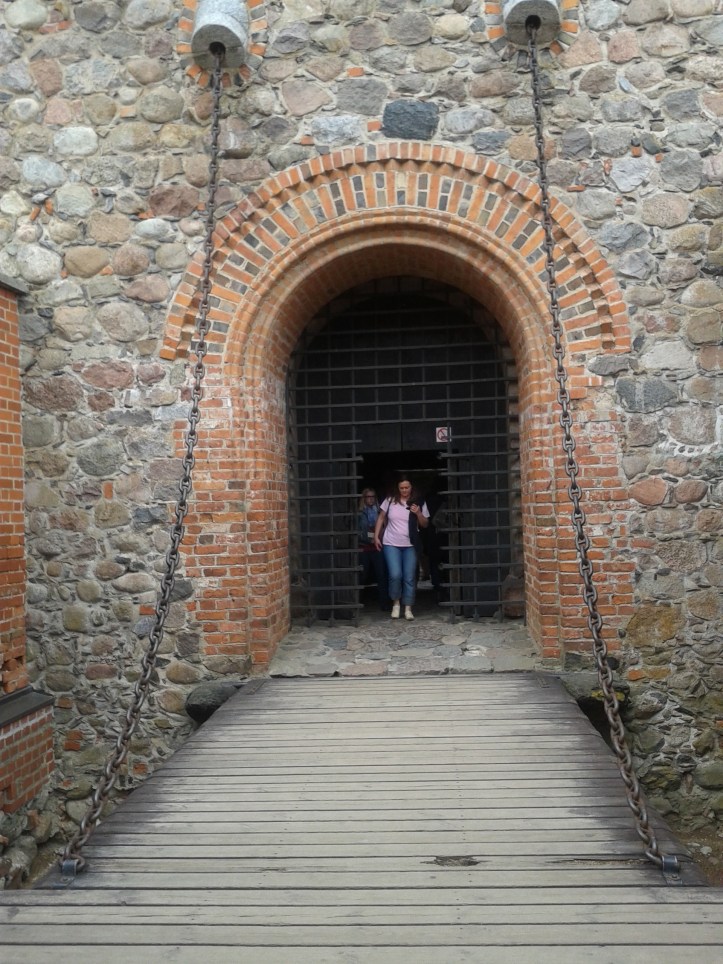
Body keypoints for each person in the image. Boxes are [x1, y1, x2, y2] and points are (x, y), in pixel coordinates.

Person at [374, 477, 430, 621]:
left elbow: (425, 524)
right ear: (398, 489)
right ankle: (396, 603)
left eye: (407, 487)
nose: (404, 490)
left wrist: (418, 513)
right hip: (391, 543)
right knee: (395, 575)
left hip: (410, 544)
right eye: (402, 488)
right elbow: (381, 517)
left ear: (411, 488)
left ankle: (408, 608)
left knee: (409, 577)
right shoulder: (390, 501)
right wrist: (376, 536)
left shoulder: (419, 502)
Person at [357, 488, 388, 608]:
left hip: (377, 546)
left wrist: (379, 537)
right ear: (364, 498)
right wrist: (365, 538)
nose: (370, 499)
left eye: (372, 496)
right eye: (368, 497)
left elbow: (386, 526)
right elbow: (356, 529)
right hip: (364, 547)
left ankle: (384, 602)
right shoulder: (359, 513)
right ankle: (358, 601)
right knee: (362, 575)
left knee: (381, 574)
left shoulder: (380, 512)